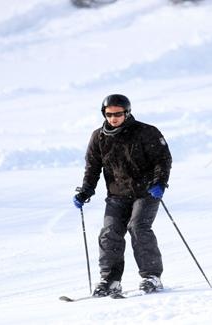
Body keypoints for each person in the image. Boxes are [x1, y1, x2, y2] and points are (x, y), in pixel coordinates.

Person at [73, 94, 172, 297]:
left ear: (127, 113)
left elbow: (163, 159)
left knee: (138, 227)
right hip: (117, 194)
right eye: (109, 114)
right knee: (110, 233)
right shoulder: (99, 137)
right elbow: (92, 168)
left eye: (118, 114)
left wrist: (159, 182)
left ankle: (152, 277)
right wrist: (85, 191)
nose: (113, 118)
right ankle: (110, 281)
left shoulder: (146, 132)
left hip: (146, 192)